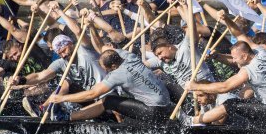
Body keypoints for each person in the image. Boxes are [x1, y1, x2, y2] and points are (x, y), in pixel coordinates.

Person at [44, 49, 172, 124]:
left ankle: (65, 118)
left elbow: (92, 94)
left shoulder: (117, 74)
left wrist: (62, 98)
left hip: (154, 112)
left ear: (113, 67)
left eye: (106, 70)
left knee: (108, 100)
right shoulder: (129, 56)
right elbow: (104, 48)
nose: (106, 72)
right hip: (167, 105)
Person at [187, 41, 266, 130]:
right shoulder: (261, 53)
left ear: (245, 56)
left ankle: (190, 121)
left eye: (235, 58)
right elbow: (240, 34)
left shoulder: (248, 71)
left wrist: (195, 86)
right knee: (244, 102)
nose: (233, 60)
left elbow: (225, 87)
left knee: (230, 104)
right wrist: (217, 56)